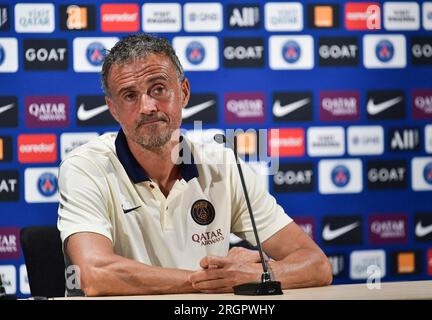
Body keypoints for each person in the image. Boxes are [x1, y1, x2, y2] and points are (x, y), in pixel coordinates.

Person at [57, 34, 332, 297]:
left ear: (184, 92)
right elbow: (93, 273)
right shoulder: (86, 167)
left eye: (158, 89)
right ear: (113, 108)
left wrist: (259, 274)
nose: (147, 107)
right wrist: (212, 282)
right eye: (129, 95)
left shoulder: (224, 166)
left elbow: (316, 264)